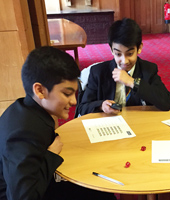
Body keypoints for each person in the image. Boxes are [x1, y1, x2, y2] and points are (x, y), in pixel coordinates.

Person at [0, 46, 116, 200]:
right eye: (67, 94)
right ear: (40, 90)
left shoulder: (25, 107)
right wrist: (50, 155)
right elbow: (22, 196)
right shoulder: (24, 133)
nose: (74, 101)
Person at [77, 18, 170, 115]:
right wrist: (101, 105)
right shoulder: (99, 72)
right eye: (118, 54)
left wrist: (132, 82)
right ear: (111, 50)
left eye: (130, 54)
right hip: (108, 125)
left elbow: (166, 102)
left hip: (137, 124)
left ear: (139, 48)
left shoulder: (148, 69)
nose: (124, 61)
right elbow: (82, 107)